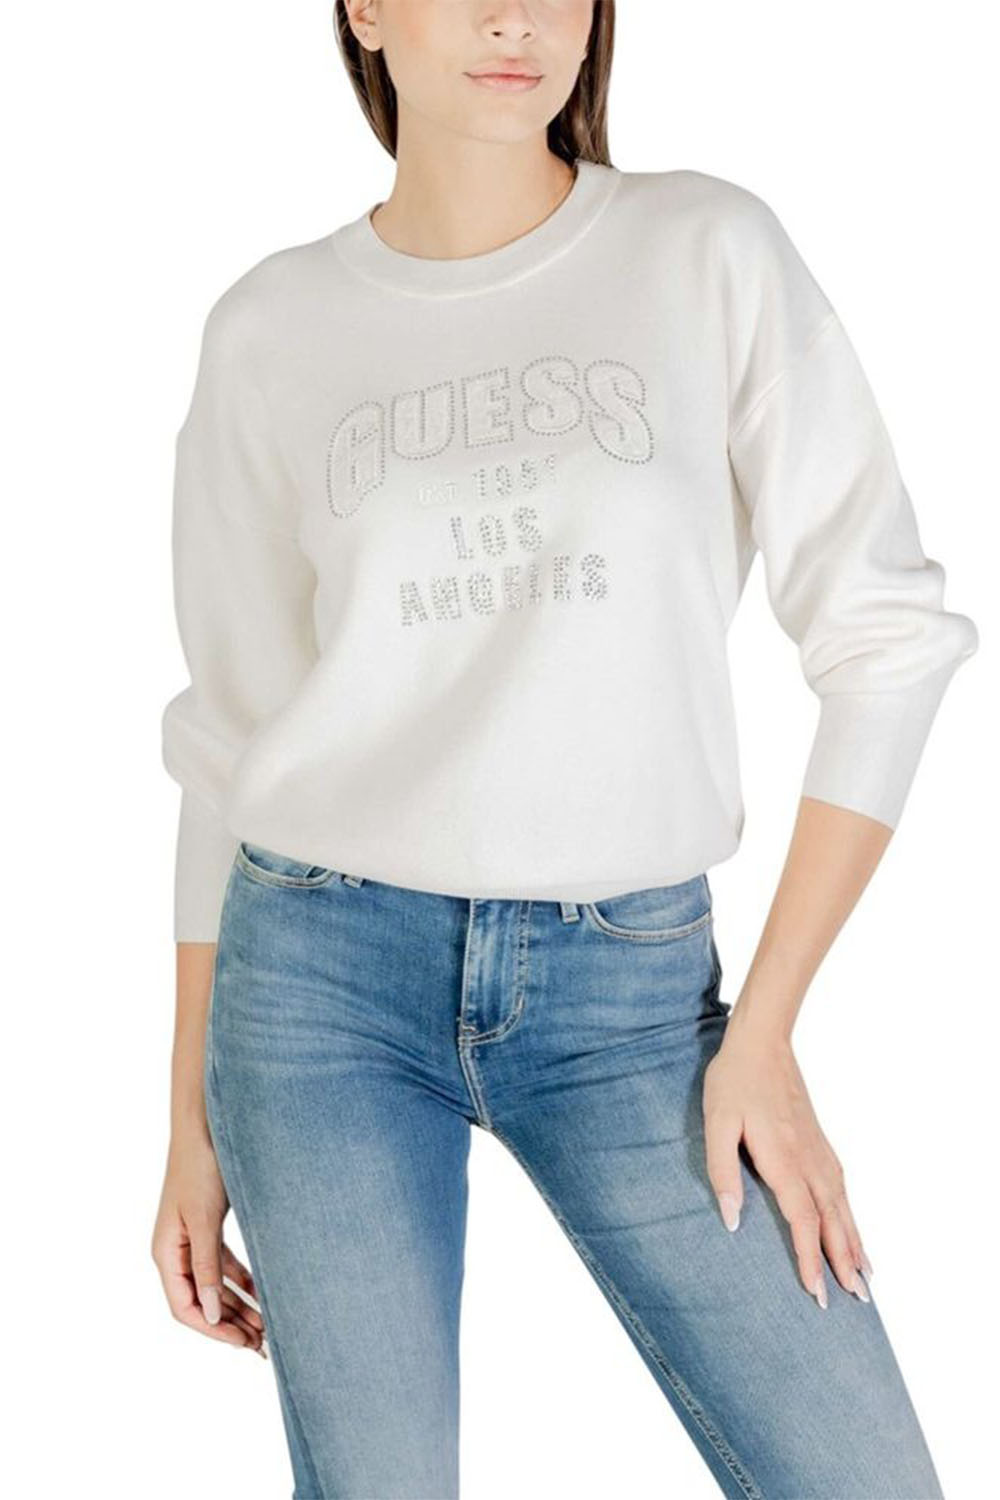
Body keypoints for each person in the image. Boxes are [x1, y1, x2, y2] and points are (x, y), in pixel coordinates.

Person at [151, 3, 978, 1495]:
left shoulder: (704, 251)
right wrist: (185, 1124)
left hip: (631, 995)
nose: (517, 18)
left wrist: (765, 1029)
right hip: (320, 988)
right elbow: (229, 741)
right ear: (364, 9)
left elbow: (890, 640)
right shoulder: (271, 328)